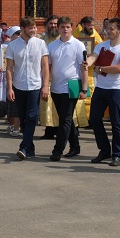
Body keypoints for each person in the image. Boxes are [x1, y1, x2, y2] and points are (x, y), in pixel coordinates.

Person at [84, 17, 120, 167]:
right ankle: (104, 150)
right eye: (107, 28)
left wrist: (100, 69)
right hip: (101, 88)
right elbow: (93, 57)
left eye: (111, 29)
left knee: (116, 122)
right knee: (95, 119)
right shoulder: (102, 45)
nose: (107, 31)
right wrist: (87, 63)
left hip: (116, 89)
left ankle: (116, 154)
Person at [5, 17, 50, 160]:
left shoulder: (40, 44)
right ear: (23, 29)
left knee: (31, 117)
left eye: (35, 27)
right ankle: (30, 148)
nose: (34, 30)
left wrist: (45, 86)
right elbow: (9, 68)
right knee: (23, 118)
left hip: (35, 86)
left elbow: (45, 66)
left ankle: (23, 146)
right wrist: (9, 88)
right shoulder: (13, 45)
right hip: (19, 86)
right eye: (31, 28)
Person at [47, 16, 87, 161]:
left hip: (72, 85)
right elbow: (48, 66)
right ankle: (75, 146)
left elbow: (83, 68)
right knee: (65, 118)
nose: (65, 29)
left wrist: (84, 89)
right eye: (62, 27)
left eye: (68, 27)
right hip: (56, 86)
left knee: (65, 119)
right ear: (58, 28)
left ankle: (57, 150)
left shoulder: (78, 45)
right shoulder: (52, 45)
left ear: (72, 28)